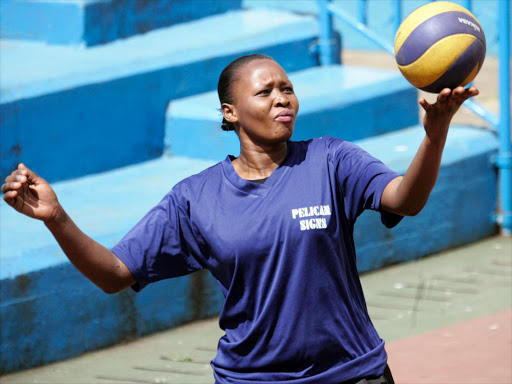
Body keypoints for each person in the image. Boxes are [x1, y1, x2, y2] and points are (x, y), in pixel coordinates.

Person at [2, 54, 478, 384]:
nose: (282, 98)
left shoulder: (332, 160)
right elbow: (114, 275)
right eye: (266, 90)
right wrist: (56, 218)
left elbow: (405, 199)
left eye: (287, 88)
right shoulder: (195, 198)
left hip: (352, 373)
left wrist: (434, 136)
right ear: (230, 113)